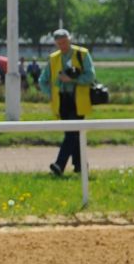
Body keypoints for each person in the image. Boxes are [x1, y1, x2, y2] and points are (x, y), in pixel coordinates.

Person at [39, 27, 96, 177]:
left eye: (65, 42)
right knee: (73, 134)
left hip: (78, 100)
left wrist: (72, 79)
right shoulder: (53, 58)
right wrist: (51, 94)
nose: (62, 46)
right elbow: (43, 81)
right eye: (59, 44)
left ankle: (59, 165)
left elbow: (90, 76)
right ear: (56, 44)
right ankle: (80, 166)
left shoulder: (82, 54)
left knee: (72, 134)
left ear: (70, 40)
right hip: (62, 101)